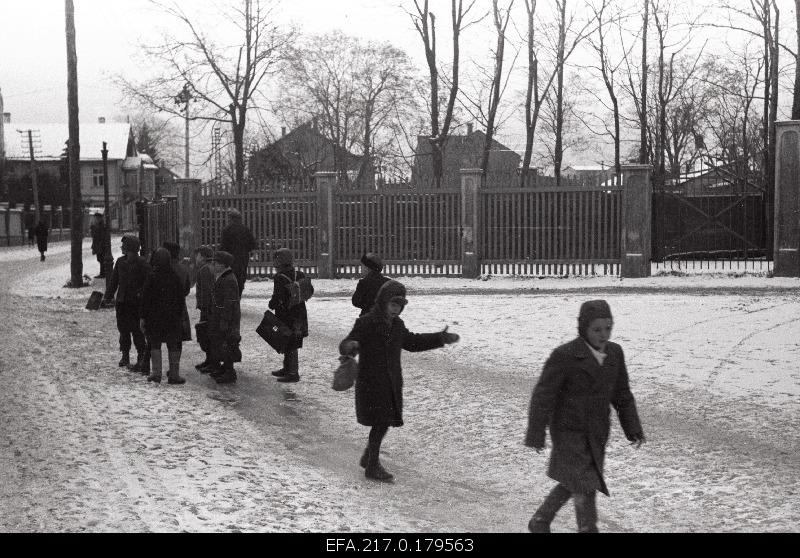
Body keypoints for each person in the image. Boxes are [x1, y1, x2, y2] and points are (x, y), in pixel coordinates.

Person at [524, 300, 646, 533]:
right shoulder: (565, 355)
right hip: (568, 432)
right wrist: (536, 434)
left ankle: (540, 520)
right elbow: (543, 396)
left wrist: (633, 428)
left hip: (596, 432)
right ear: (584, 329)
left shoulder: (614, 353)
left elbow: (622, 394)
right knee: (585, 484)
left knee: (577, 480)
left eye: (608, 328)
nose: (604, 335)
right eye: (597, 329)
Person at [339, 280, 460, 482]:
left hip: (391, 381)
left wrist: (440, 338)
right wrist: (350, 345)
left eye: (400, 306)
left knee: (384, 422)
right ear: (383, 302)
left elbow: (412, 342)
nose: (396, 310)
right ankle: (372, 465)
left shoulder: (397, 325)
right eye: (393, 304)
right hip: (372, 381)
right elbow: (346, 343)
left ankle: (369, 456)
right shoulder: (366, 322)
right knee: (381, 421)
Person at [140, 247, 186, 385]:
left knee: (155, 344)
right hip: (172, 318)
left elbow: (145, 299)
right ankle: (174, 375)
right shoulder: (174, 277)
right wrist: (179, 315)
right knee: (173, 345)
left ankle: (156, 373)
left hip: (154, 318)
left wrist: (143, 317)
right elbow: (180, 298)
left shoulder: (152, 277)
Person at [104, 235, 151, 370]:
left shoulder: (142, 263)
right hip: (122, 302)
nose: (122, 248)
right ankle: (125, 355)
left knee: (137, 331)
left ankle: (141, 356)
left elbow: (148, 282)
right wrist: (108, 296)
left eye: (124, 246)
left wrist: (141, 293)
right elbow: (114, 281)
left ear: (130, 248)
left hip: (135, 304)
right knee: (123, 331)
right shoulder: (120, 262)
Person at [268, 248, 308, 383]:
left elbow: (277, 298)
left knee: (289, 342)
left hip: (286, 314)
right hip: (299, 313)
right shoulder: (299, 274)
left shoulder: (280, 277)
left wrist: (271, 304)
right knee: (293, 341)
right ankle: (287, 368)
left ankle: (292, 373)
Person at [207, 250, 241, 385]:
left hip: (227, 318)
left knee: (228, 342)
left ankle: (229, 371)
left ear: (223, 264)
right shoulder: (223, 276)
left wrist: (225, 320)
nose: (213, 265)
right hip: (221, 315)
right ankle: (225, 368)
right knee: (221, 341)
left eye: (216, 263)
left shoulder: (228, 279)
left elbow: (230, 302)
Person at [219, 208, 257, 297]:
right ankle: (238, 296)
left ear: (231, 218)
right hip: (243, 258)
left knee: (230, 278)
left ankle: (231, 299)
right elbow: (253, 244)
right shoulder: (245, 229)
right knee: (241, 279)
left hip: (230, 259)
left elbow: (223, 246)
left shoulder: (226, 230)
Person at [193, 245, 216, 372]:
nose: (196, 258)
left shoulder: (205, 270)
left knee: (207, 333)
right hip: (210, 307)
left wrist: (205, 307)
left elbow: (207, 291)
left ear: (202, 256)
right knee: (208, 333)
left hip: (208, 308)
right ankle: (209, 360)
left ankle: (212, 361)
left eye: (197, 255)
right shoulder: (210, 267)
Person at [90, 212, 108, 278]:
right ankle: (103, 273)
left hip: (100, 246)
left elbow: (100, 236)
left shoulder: (101, 226)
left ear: (99, 218)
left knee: (101, 259)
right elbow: (93, 235)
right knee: (100, 259)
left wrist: (99, 246)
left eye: (96, 218)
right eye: (95, 218)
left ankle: (103, 273)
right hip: (98, 245)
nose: (95, 219)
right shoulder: (97, 225)